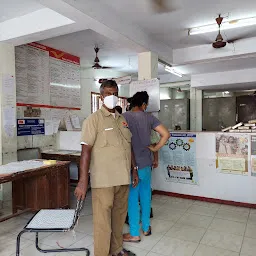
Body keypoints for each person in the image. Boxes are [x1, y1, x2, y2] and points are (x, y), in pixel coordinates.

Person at [75, 80, 138, 256]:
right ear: (101, 96)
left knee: (118, 219)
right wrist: (82, 181)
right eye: (109, 93)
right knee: (103, 223)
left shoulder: (122, 119)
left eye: (115, 93)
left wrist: (134, 169)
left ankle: (117, 250)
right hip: (103, 181)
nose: (112, 97)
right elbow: (85, 151)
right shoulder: (93, 120)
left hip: (122, 179)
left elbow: (129, 145)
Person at [122, 91, 170, 243]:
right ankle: (146, 228)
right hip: (146, 164)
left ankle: (134, 233)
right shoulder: (149, 118)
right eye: (146, 104)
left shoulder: (124, 117)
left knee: (132, 198)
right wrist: (155, 149)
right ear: (143, 104)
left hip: (132, 165)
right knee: (145, 195)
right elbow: (166, 134)